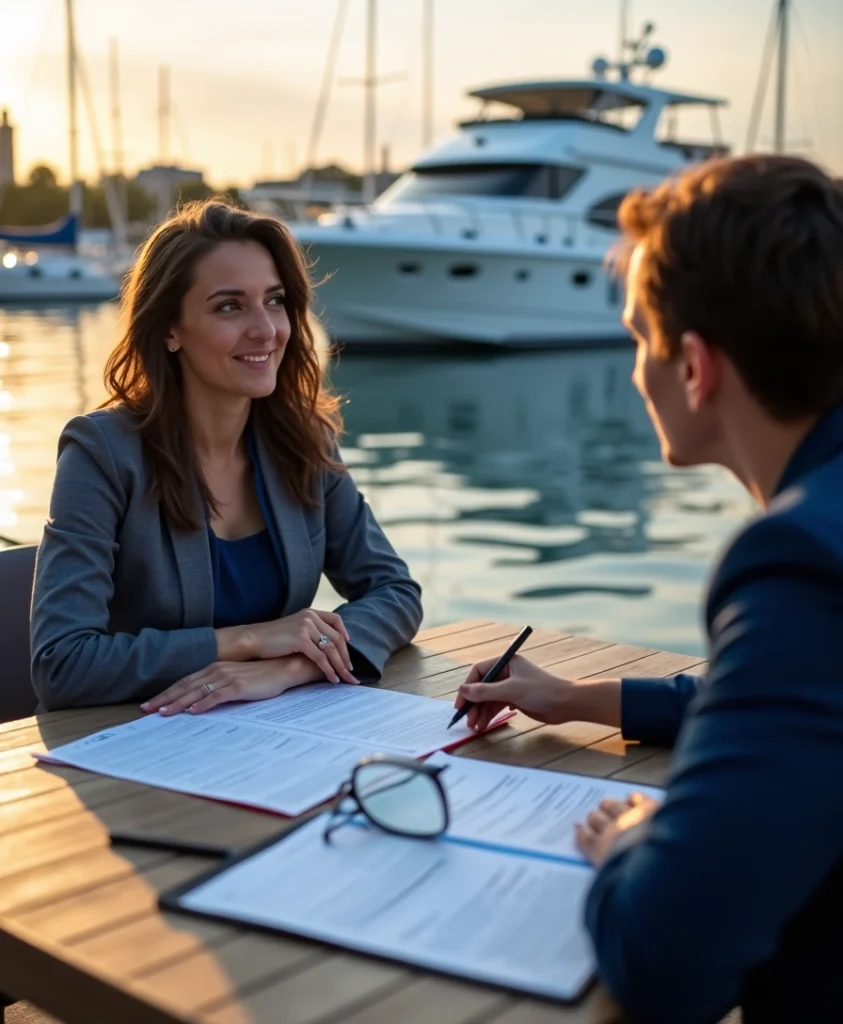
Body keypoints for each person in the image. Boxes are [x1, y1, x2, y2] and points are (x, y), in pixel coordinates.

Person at [454, 155, 843, 1023]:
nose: (635, 371)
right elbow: (795, 698)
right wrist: (578, 697)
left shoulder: (799, 559)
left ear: (696, 368)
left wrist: (631, 844)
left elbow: (665, 963)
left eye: (638, 336)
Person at [31, 199, 422, 714]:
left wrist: (291, 668)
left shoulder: (303, 441)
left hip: (276, 735)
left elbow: (395, 592)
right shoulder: (101, 454)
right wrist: (251, 641)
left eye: (275, 300)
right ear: (170, 329)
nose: (266, 329)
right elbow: (62, 664)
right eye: (230, 306)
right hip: (124, 752)